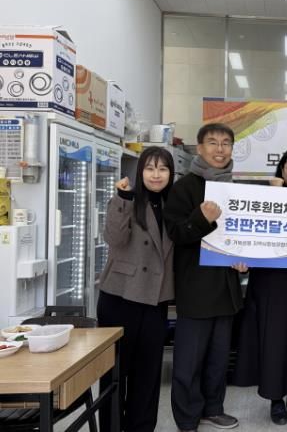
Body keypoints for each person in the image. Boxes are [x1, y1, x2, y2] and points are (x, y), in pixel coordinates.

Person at [164, 123, 247, 432]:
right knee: (189, 361)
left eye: (226, 143)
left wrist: (246, 261)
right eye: (212, 142)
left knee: (218, 358)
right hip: (195, 288)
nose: (220, 149)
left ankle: (213, 408)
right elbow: (176, 233)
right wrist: (202, 218)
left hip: (226, 288)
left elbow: (243, 237)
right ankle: (187, 418)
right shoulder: (183, 188)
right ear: (199, 148)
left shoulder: (236, 189)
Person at [233, 146, 287, 425]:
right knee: (270, 339)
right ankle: (275, 399)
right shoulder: (264, 198)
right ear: (282, 169)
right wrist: (242, 260)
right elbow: (248, 234)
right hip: (267, 282)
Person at [97, 146, 175, 432]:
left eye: (163, 169)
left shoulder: (173, 205)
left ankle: (141, 428)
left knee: (148, 373)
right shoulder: (126, 199)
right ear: (140, 171)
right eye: (150, 168)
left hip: (156, 298)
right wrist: (123, 198)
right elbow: (114, 239)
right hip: (121, 296)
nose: (156, 175)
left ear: (171, 174)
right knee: (115, 372)